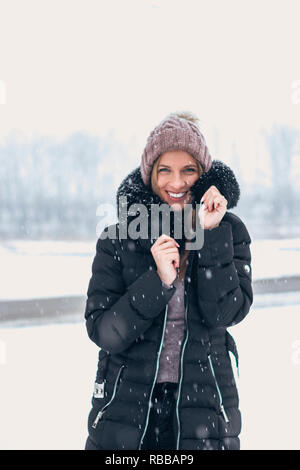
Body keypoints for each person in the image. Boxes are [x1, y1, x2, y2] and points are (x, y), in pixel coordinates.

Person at [84, 111, 253, 451]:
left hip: (205, 408)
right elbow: (104, 331)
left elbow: (225, 314)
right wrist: (157, 281)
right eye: (165, 170)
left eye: (188, 170)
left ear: (204, 176)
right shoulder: (118, 239)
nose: (176, 183)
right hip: (125, 409)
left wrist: (212, 234)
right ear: (150, 175)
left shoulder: (229, 231)